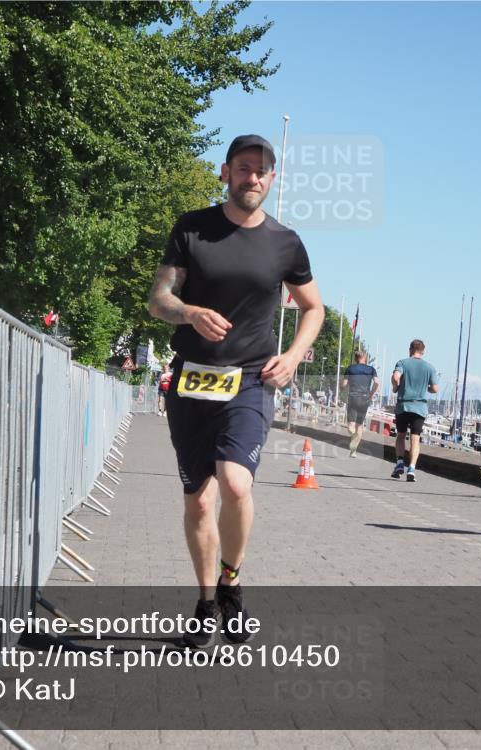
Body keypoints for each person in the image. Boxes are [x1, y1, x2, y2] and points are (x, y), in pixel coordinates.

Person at [147, 134, 324, 648]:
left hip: (250, 380)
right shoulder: (192, 228)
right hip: (191, 378)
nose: (253, 179)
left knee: (237, 484)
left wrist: (291, 357)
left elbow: (313, 308)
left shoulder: (285, 242)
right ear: (225, 173)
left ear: (272, 180)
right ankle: (206, 604)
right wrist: (188, 312)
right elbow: (159, 298)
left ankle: (232, 580)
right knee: (199, 504)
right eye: (244, 169)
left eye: (262, 172)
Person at [391, 339, 440, 482]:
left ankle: (400, 463)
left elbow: (395, 377)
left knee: (400, 435)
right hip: (419, 408)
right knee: (415, 438)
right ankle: (411, 468)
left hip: (404, 406)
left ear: (410, 349)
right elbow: (435, 388)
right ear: (423, 351)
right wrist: (427, 389)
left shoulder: (402, 363)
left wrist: (396, 386)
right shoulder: (429, 367)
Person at [341, 350, 379, 457]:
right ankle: (354, 450)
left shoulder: (351, 368)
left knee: (351, 426)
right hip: (365, 399)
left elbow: (344, 384)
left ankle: (353, 436)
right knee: (360, 425)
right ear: (365, 358)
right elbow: (376, 382)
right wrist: (371, 393)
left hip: (353, 397)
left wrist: (343, 385)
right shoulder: (371, 369)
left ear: (355, 358)